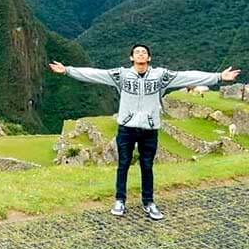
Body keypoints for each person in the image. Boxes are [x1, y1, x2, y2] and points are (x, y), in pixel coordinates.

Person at [49, 44, 241, 220]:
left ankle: (148, 202)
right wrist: (67, 71)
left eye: (144, 52)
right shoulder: (121, 76)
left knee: (147, 166)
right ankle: (120, 200)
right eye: (137, 52)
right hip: (127, 127)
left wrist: (217, 77)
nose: (141, 54)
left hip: (150, 128)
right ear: (131, 58)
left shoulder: (160, 76)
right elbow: (95, 74)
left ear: (149, 58)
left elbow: (187, 76)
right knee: (123, 164)